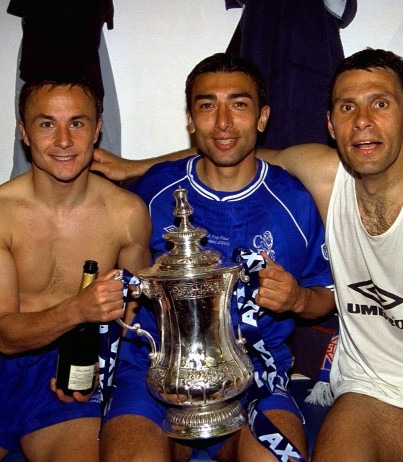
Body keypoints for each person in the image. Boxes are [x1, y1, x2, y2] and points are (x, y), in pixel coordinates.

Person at [92, 48, 403, 461]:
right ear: (331, 124)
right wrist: (136, 165)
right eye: (347, 108)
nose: (363, 123)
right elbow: (228, 147)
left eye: (380, 104)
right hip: (372, 389)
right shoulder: (323, 177)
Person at [99, 53, 335, 462]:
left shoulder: (295, 201)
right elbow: (110, 283)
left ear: (262, 117)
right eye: (208, 106)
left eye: (239, 104)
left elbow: (328, 294)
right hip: (155, 373)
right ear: (190, 119)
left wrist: (297, 298)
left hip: (256, 378)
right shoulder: (153, 191)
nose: (223, 122)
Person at [0, 73, 152, 462]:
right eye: (46, 124)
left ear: (97, 130)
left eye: (77, 123)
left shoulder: (126, 213)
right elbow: (3, 334)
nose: (64, 141)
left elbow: (136, 312)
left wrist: (103, 367)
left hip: (72, 371)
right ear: (24, 133)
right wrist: (79, 308)